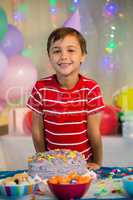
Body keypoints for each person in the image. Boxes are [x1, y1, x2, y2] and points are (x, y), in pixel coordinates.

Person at [27, 27, 105, 170]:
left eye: (71, 50)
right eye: (57, 51)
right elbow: (37, 130)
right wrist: (44, 159)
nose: (63, 56)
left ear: (83, 55)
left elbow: (94, 131)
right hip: (53, 165)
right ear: (49, 56)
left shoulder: (91, 88)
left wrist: (98, 162)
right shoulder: (40, 87)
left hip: (83, 165)